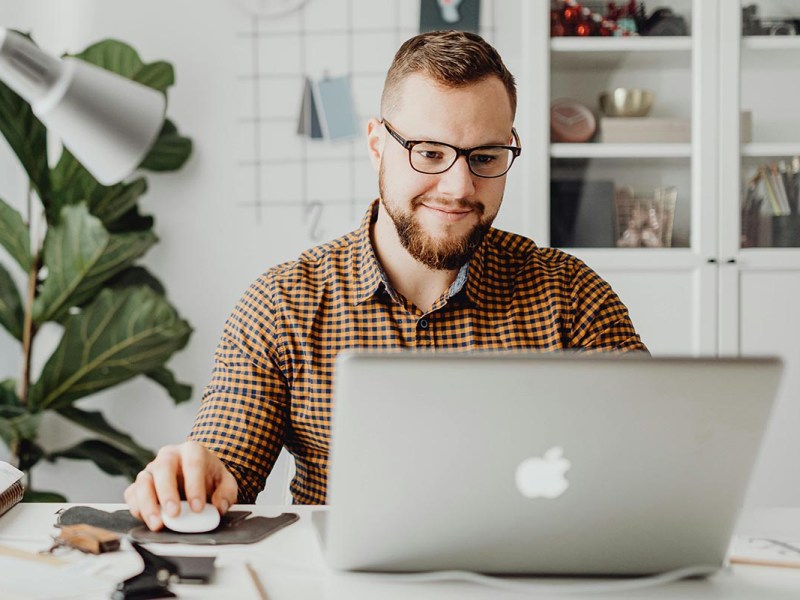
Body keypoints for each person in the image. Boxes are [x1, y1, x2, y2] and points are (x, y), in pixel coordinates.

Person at [125, 30, 647, 531]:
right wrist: (194, 478)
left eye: (486, 157)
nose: (459, 187)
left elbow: (654, 456)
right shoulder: (283, 303)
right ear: (377, 144)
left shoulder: (572, 296)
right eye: (429, 152)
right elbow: (226, 468)